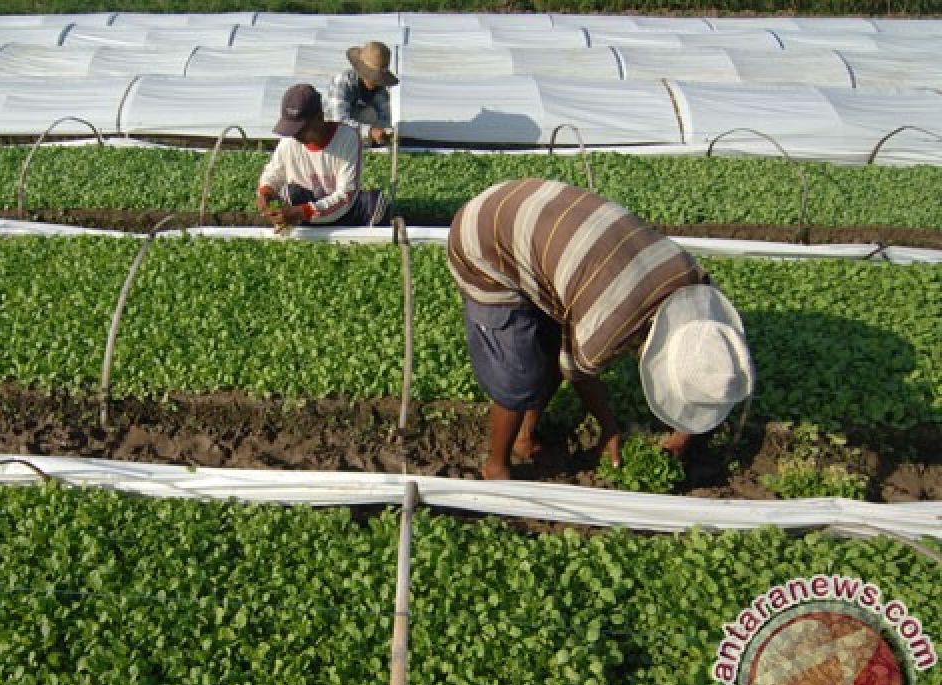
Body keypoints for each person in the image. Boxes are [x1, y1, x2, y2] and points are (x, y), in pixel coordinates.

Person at [448, 178, 755, 481]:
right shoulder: (608, 326)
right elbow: (578, 371)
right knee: (518, 375)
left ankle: (524, 436)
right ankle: (496, 465)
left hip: (537, 209)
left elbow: (699, 362)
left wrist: (681, 437)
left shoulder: (697, 287)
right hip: (485, 241)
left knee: (553, 339)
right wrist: (608, 426)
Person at [257, 83, 389, 228]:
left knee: (377, 203)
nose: (295, 135)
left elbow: (346, 195)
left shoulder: (347, 137)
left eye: (300, 130)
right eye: (291, 130)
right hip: (304, 206)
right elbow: (273, 172)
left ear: (319, 118)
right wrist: (266, 191)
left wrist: (304, 212)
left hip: (342, 212)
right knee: (289, 193)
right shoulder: (289, 140)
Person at [324, 40, 397, 146]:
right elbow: (338, 121)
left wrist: (385, 132)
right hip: (331, 135)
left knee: (371, 113)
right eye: (371, 76)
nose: (375, 82)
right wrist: (369, 131)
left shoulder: (380, 89)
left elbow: (385, 117)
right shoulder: (343, 82)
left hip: (357, 136)